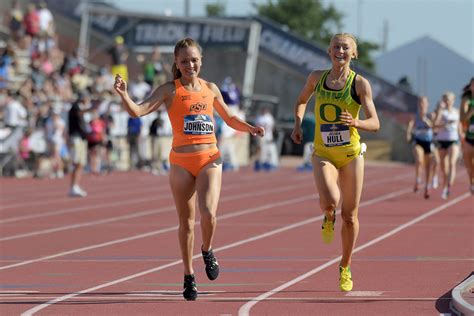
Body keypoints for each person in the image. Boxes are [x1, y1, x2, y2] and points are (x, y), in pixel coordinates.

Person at [113, 37, 265, 301]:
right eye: (184, 61)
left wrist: (250, 128)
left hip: (209, 158)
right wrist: (124, 94)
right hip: (181, 162)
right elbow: (138, 111)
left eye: (194, 60)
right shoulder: (169, 90)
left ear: (201, 61)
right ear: (176, 63)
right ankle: (188, 275)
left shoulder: (211, 88)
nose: (190, 65)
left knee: (208, 215)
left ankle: (207, 250)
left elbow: (228, 118)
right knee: (186, 223)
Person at [290, 33, 379, 292]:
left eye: (345, 47)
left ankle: (345, 265)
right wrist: (297, 124)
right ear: (329, 51)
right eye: (336, 47)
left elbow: (375, 123)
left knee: (350, 216)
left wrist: (356, 122)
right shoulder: (316, 78)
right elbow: (301, 101)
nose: (340, 51)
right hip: (324, 153)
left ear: (354, 54)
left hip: (351, 154)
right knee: (331, 200)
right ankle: (328, 216)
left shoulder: (360, 84)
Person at [433, 91, 461, 199]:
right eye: (446, 100)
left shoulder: (457, 112)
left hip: (453, 140)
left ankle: (449, 187)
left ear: (453, 101)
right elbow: (434, 125)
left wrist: (462, 136)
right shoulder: (441, 112)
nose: (448, 102)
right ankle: (445, 187)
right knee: (444, 168)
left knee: (452, 163)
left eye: (449, 100)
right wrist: (445, 123)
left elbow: (459, 126)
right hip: (442, 141)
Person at [406, 96, 434, 198]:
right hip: (418, 141)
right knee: (419, 160)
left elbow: (433, 126)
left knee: (428, 167)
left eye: (424, 103)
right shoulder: (415, 116)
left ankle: (427, 186)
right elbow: (410, 125)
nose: (422, 105)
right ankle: (418, 180)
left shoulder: (431, 115)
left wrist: (426, 120)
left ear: (427, 104)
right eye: (420, 103)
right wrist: (408, 134)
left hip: (429, 142)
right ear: (418, 104)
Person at [68, 93, 91, 197]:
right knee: (77, 162)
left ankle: (75, 186)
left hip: (81, 138)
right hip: (76, 138)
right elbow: (79, 113)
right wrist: (91, 109)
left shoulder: (80, 108)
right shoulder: (75, 106)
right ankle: (73, 186)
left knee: (80, 163)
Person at [460, 78, 474, 194]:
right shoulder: (467, 100)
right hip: (469, 137)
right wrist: (471, 112)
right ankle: (472, 182)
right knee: (469, 164)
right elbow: (462, 119)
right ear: (470, 87)